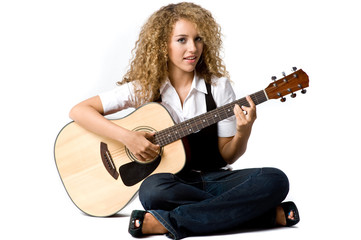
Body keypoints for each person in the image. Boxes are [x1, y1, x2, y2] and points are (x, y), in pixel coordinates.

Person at [69, 2, 300, 239]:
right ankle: (263, 215)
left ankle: (166, 222)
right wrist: (128, 137)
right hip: (171, 185)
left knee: (274, 179)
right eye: (182, 40)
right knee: (151, 192)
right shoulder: (144, 88)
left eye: (198, 39)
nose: (193, 48)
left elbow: (228, 155)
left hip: (214, 179)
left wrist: (244, 131)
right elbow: (80, 111)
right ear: (162, 45)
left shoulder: (219, 88)